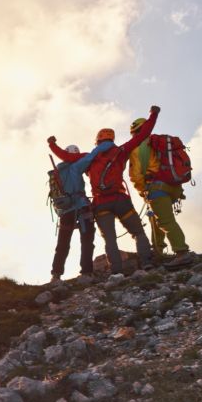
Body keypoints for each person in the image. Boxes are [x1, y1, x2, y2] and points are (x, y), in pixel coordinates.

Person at [48, 105, 160, 275]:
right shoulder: (121, 151)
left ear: (98, 140)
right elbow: (143, 135)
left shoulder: (89, 157)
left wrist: (52, 144)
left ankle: (116, 272)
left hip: (101, 204)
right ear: (112, 139)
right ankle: (146, 263)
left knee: (110, 239)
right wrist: (153, 115)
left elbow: (66, 157)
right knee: (138, 232)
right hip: (121, 200)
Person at [128, 117, 196, 268]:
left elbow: (136, 175)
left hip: (156, 188)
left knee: (165, 221)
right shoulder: (159, 143)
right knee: (156, 217)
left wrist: (142, 191)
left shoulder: (137, 148)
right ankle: (158, 249)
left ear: (135, 131)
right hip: (174, 188)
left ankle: (181, 252)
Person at [49, 144, 106, 283]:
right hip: (81, 207)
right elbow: (90, 157)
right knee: (87, 240)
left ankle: (56, 274)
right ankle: (86, 272)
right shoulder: (76, 166)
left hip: (65, 211)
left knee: (63, 243)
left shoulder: (57, 171)